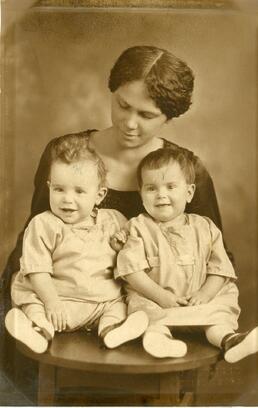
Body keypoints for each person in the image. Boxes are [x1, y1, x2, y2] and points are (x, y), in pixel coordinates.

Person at [1, 45, 229, 396]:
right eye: (123, 105)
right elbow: (36, 236)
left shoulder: (183, 170)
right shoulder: (65, 153)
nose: (130, 122)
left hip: (142, 315)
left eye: (147, 114)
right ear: (111, 91)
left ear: (169, 117)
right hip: (57, 302)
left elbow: (209, 252)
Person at [113, 147, 258, 361]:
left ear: (189, 192)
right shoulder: (137, 227)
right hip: (157, 300)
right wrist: (162, 296)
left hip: (199, 302)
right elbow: (132, 272)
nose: (161, 195)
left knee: (221, 304)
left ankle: (228, 340)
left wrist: (204, 295)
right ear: (141, 195)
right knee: (141, 307)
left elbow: (220, 269)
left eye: (170, 187)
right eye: (151, 188)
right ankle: (159, 340)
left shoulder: (205, 227)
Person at [5, 133, 148, 354]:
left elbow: (133, 254)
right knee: (34, 304)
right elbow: (37, 271)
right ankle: (36, 330)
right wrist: (52, 303)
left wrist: (123, 246)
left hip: (102, 303)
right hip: (58, 301)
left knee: (119, 307)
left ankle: (113, 331)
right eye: (59, 189)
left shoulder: (114, 220)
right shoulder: (44, 224)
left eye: (79, 191)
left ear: (99, 195)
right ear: (49, 187)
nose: (67, 199)